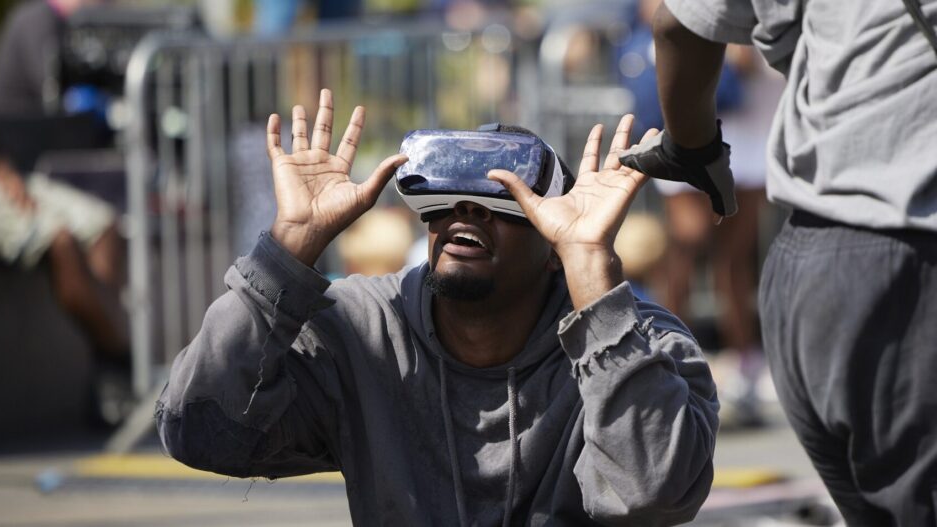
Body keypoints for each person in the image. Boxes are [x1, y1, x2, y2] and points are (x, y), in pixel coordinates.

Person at [155, 88, 718, 525]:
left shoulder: (641, 343)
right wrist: (285, 252)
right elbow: (197, 431)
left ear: (554, 251)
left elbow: (652, 497)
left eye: (504, 199)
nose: (465, 211)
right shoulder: (364, 327)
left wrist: (592, 268)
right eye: (445, 196)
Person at [620, 0, 937, 524]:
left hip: (812, 252)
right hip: (901, 248)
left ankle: (736, 363)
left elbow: (679, 22)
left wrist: (693, 149)